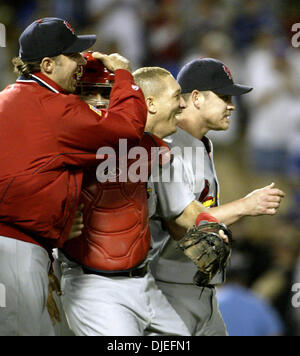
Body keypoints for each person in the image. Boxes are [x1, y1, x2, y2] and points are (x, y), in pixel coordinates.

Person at [0, 17, 148, 336]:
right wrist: (123, 75)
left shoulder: (8, 98)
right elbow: (127, 131)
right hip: (14, 251)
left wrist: (59, 225)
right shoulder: (53, 107)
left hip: (22, 247)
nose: (81, 60)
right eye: (73, 55)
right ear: (49, 64)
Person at [148, 58, 285, 336]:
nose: (231, 105)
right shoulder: (171, 146)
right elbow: (180, 223)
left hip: (199, 288)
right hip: (169, 290)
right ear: (196, 98)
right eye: (223, 97)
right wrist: (246, 205)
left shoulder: (199, 143)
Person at [56, 56, 190, 336]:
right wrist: (52, 230)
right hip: (92, 285)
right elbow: (20, 203)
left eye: (105, 92)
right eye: (88, 92)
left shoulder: (151, 147)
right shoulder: (57, 142)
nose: (98, 100)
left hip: (143, 280)